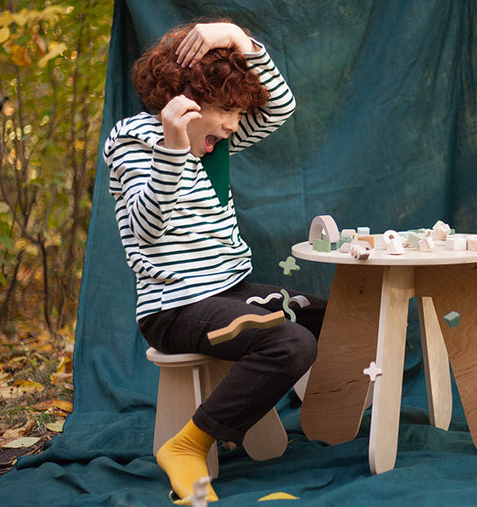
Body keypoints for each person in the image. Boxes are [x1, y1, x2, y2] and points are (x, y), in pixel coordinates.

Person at [103, 20, 325, 504]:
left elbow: (280, 108)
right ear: (185, 99)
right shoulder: (136, 141)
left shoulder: (216, 139)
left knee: (337, 314)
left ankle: (330, 420)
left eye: (237, 112)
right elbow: (144, 228)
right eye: (227, 109)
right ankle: (189, 444)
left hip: (230, 289)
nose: (232, 123)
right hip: (176, 307)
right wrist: (174, 150)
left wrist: (238, 38)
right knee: (289, 344)